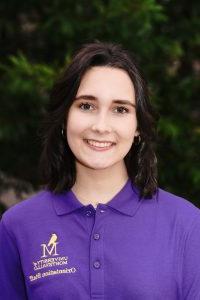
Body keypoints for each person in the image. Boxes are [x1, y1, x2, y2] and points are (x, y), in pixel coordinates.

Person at [0, 41, 200, 300]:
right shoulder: (18, 226)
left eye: (120, 109)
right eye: (86, 106)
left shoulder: (186, 224)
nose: (101, 126)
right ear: (64, 117)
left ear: (138, 126)